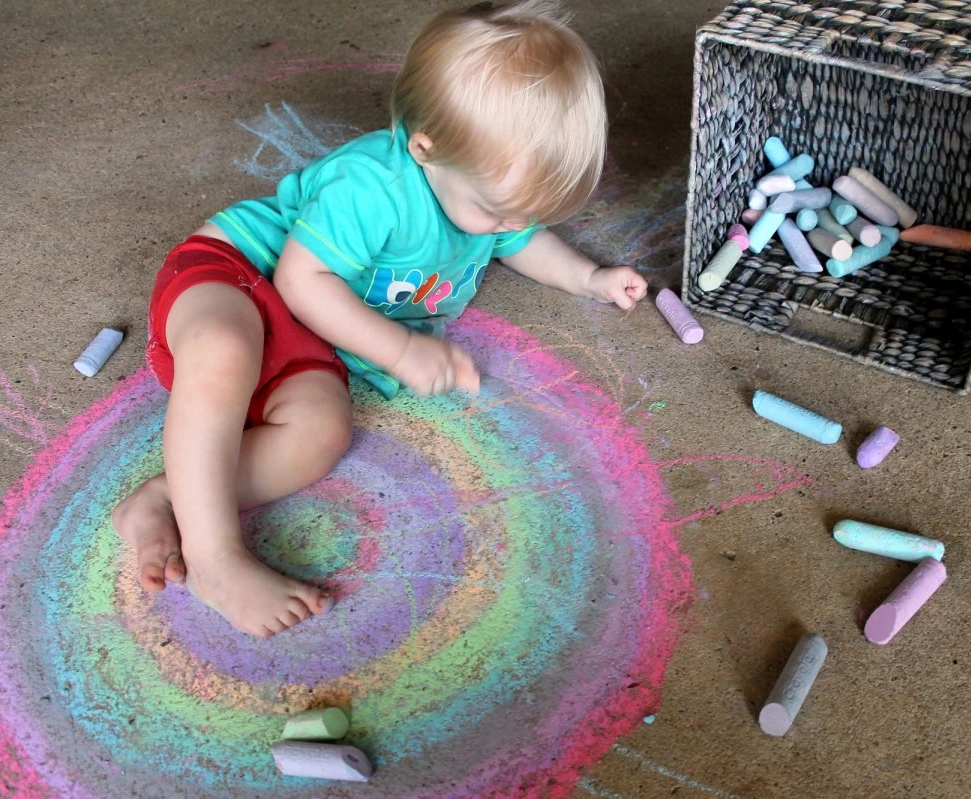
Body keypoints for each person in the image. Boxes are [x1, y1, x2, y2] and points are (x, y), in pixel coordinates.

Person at [113, 0, 648, 638]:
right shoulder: (371, 186)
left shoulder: (484, 190)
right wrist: (398, 350)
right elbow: (300, 281)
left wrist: (587, 277)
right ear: (425, 148)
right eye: (496, 210)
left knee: (320, 435)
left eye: (520, 213)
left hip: (311, 335)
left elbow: (521, 239)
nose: (509, 225)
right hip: (240, 272)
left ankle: (168, 497)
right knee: (224, 349)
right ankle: (215, 558)